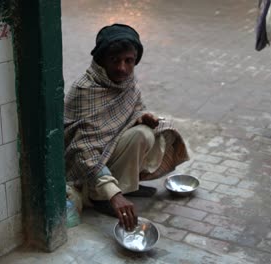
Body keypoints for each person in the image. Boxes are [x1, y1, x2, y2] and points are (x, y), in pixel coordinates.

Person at [64, 24, 189, 230]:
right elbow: (84, 151)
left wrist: (141, 116)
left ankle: (126, 186)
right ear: (101, 60)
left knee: (146, 133)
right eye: (115, 60)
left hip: (108, 151)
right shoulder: (85, 89)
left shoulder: (125, 80)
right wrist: (114, 196)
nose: (122, 68)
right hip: (82, 170)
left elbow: (135, 109)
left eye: (129, 61)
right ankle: (101, 197)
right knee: (140, 136)